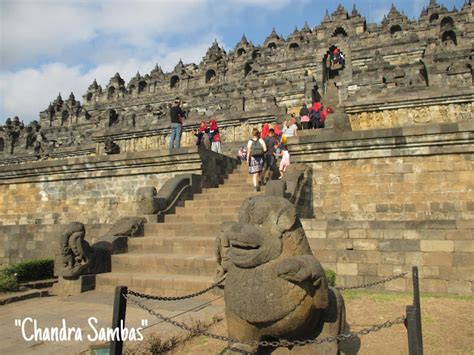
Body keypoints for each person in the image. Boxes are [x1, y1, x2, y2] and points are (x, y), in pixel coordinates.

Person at [247, 128, 267, 192]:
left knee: (255, 173)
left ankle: (255, 186)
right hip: (260, 157)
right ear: (258, 133)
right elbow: (265, 149)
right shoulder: (260, 140)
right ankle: (260, 180)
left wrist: (247, 160)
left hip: (253, 158)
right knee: (260, 171)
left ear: (252, 134)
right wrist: (260, 151)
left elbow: (248, 151)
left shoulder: (250, 141)